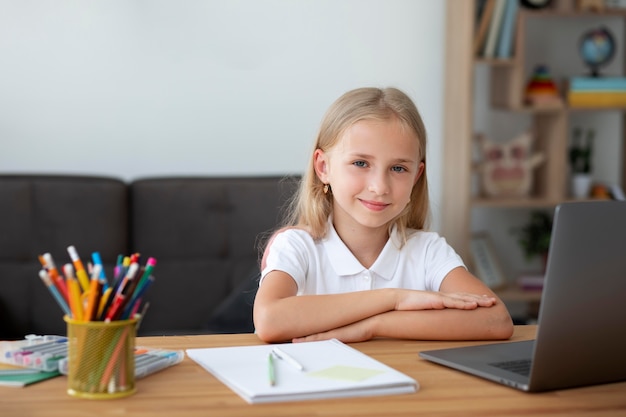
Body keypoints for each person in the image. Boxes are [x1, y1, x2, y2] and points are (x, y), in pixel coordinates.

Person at [253, 87, 514, 344]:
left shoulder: (427, 250)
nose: (379, 187)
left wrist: (372, 326)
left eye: (398, 168)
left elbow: (496, 320)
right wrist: (394, 299)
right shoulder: (298, 247)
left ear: (416, 177)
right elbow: (268, 320)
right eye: (360, 163)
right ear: (323, 168)